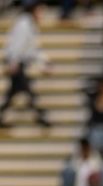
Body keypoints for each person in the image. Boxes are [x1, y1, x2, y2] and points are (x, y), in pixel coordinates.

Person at [0, 1, 51, 129]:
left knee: (12, 94)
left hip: (18, 63)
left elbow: (32, 49)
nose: (41, 13)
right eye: (40, 9)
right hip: (17, 64)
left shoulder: (29, 24)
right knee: (28, 92)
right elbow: (17, 45)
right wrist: (13, 62)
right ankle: (41, 116)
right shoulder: (24, 24)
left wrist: (43, 62)